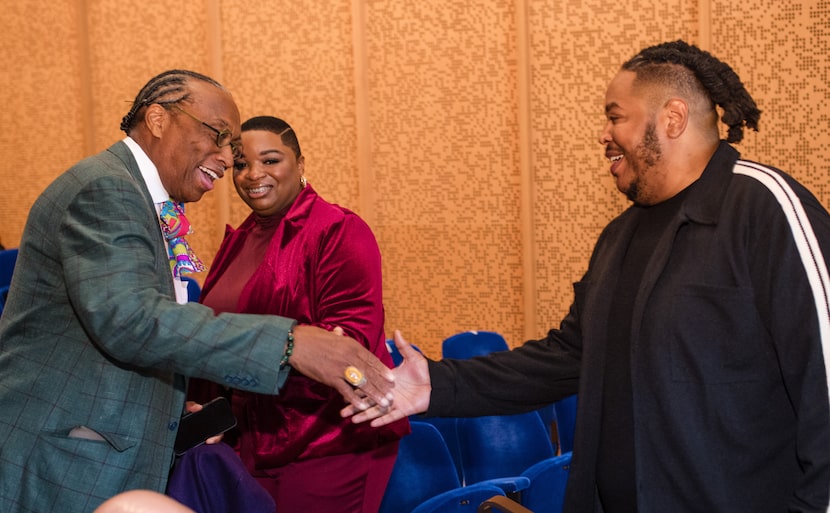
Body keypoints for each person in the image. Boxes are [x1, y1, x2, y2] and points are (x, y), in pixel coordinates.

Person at [345, 41, 830, 513]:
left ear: (673, 118)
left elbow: (823, 375)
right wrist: (437, 384)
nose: (603, 133)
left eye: (615, 116)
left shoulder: (766, 207)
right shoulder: (620, 235)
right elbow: (568, 357)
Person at [0, 70, 395, 513]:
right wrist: (289, 342)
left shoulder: (136, 197)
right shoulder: (106, 188)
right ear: (157, 119)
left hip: (313, 447)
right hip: (69, 462)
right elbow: (131, 320)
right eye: (219, 137)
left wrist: (173, 406)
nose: (228, 159)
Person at [187, 115, 409, 512]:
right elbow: (215, 334)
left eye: (271, 160)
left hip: (328, 441)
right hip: (249, 438)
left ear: (300, 164)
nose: (254, 173)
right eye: (240, 163)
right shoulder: (238, 240)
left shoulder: (338, 230)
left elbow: (349, 343)